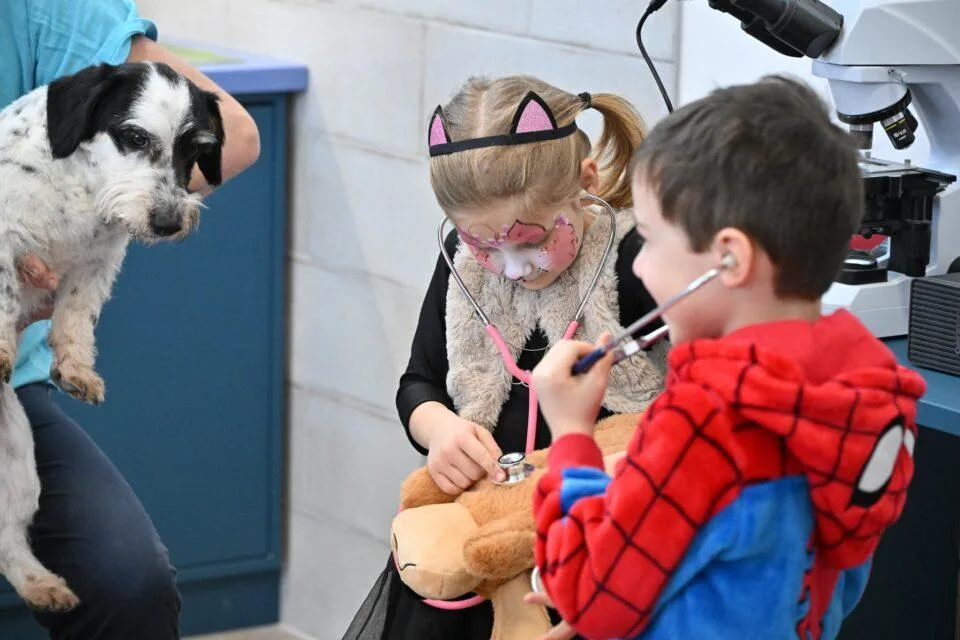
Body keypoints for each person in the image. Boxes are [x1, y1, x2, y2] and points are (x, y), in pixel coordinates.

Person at [527, 75, 926, 640]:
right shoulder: (868, 381)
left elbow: (593, 600)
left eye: (650, 239)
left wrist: (571, 436)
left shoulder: (705, 417)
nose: (638, 265)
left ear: (730, 259)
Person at [341, 76, 666, 640]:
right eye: (484, 245)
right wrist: (440, 430)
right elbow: (419, 384)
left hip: (592, 549)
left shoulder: (637, 262)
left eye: (531, 241)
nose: (512, 267)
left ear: (586, 183)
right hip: (478, 551)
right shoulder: (461, 265)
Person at [0, 0, 261, 637]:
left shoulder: (42, 10)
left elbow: (236, 132)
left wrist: (106, 219)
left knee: (128, 584)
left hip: (12, 382)